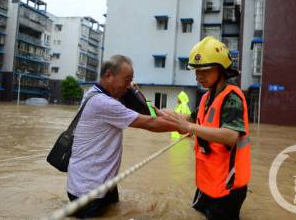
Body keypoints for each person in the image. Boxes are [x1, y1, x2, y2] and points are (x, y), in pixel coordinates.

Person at [67, 55, 180, 218]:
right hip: (89, 190)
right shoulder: (103, 103)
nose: (128, 86)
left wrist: (136, 92)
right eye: (126, 80)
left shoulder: (96, 93)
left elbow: (145, 109)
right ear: (108, 75)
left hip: (104, 183)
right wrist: (184, 127)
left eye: (131, 81)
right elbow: (150, 122)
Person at [162, 36, 251, 220]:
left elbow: (230, 136)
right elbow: (190, 118)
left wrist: (189, 127)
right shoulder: (206, 98)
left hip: (227, 184)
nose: (198, 76)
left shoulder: (232, 98)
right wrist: (163, 115)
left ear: (221, 70)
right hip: (208, 181)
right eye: (196, 71)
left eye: (205, 70)